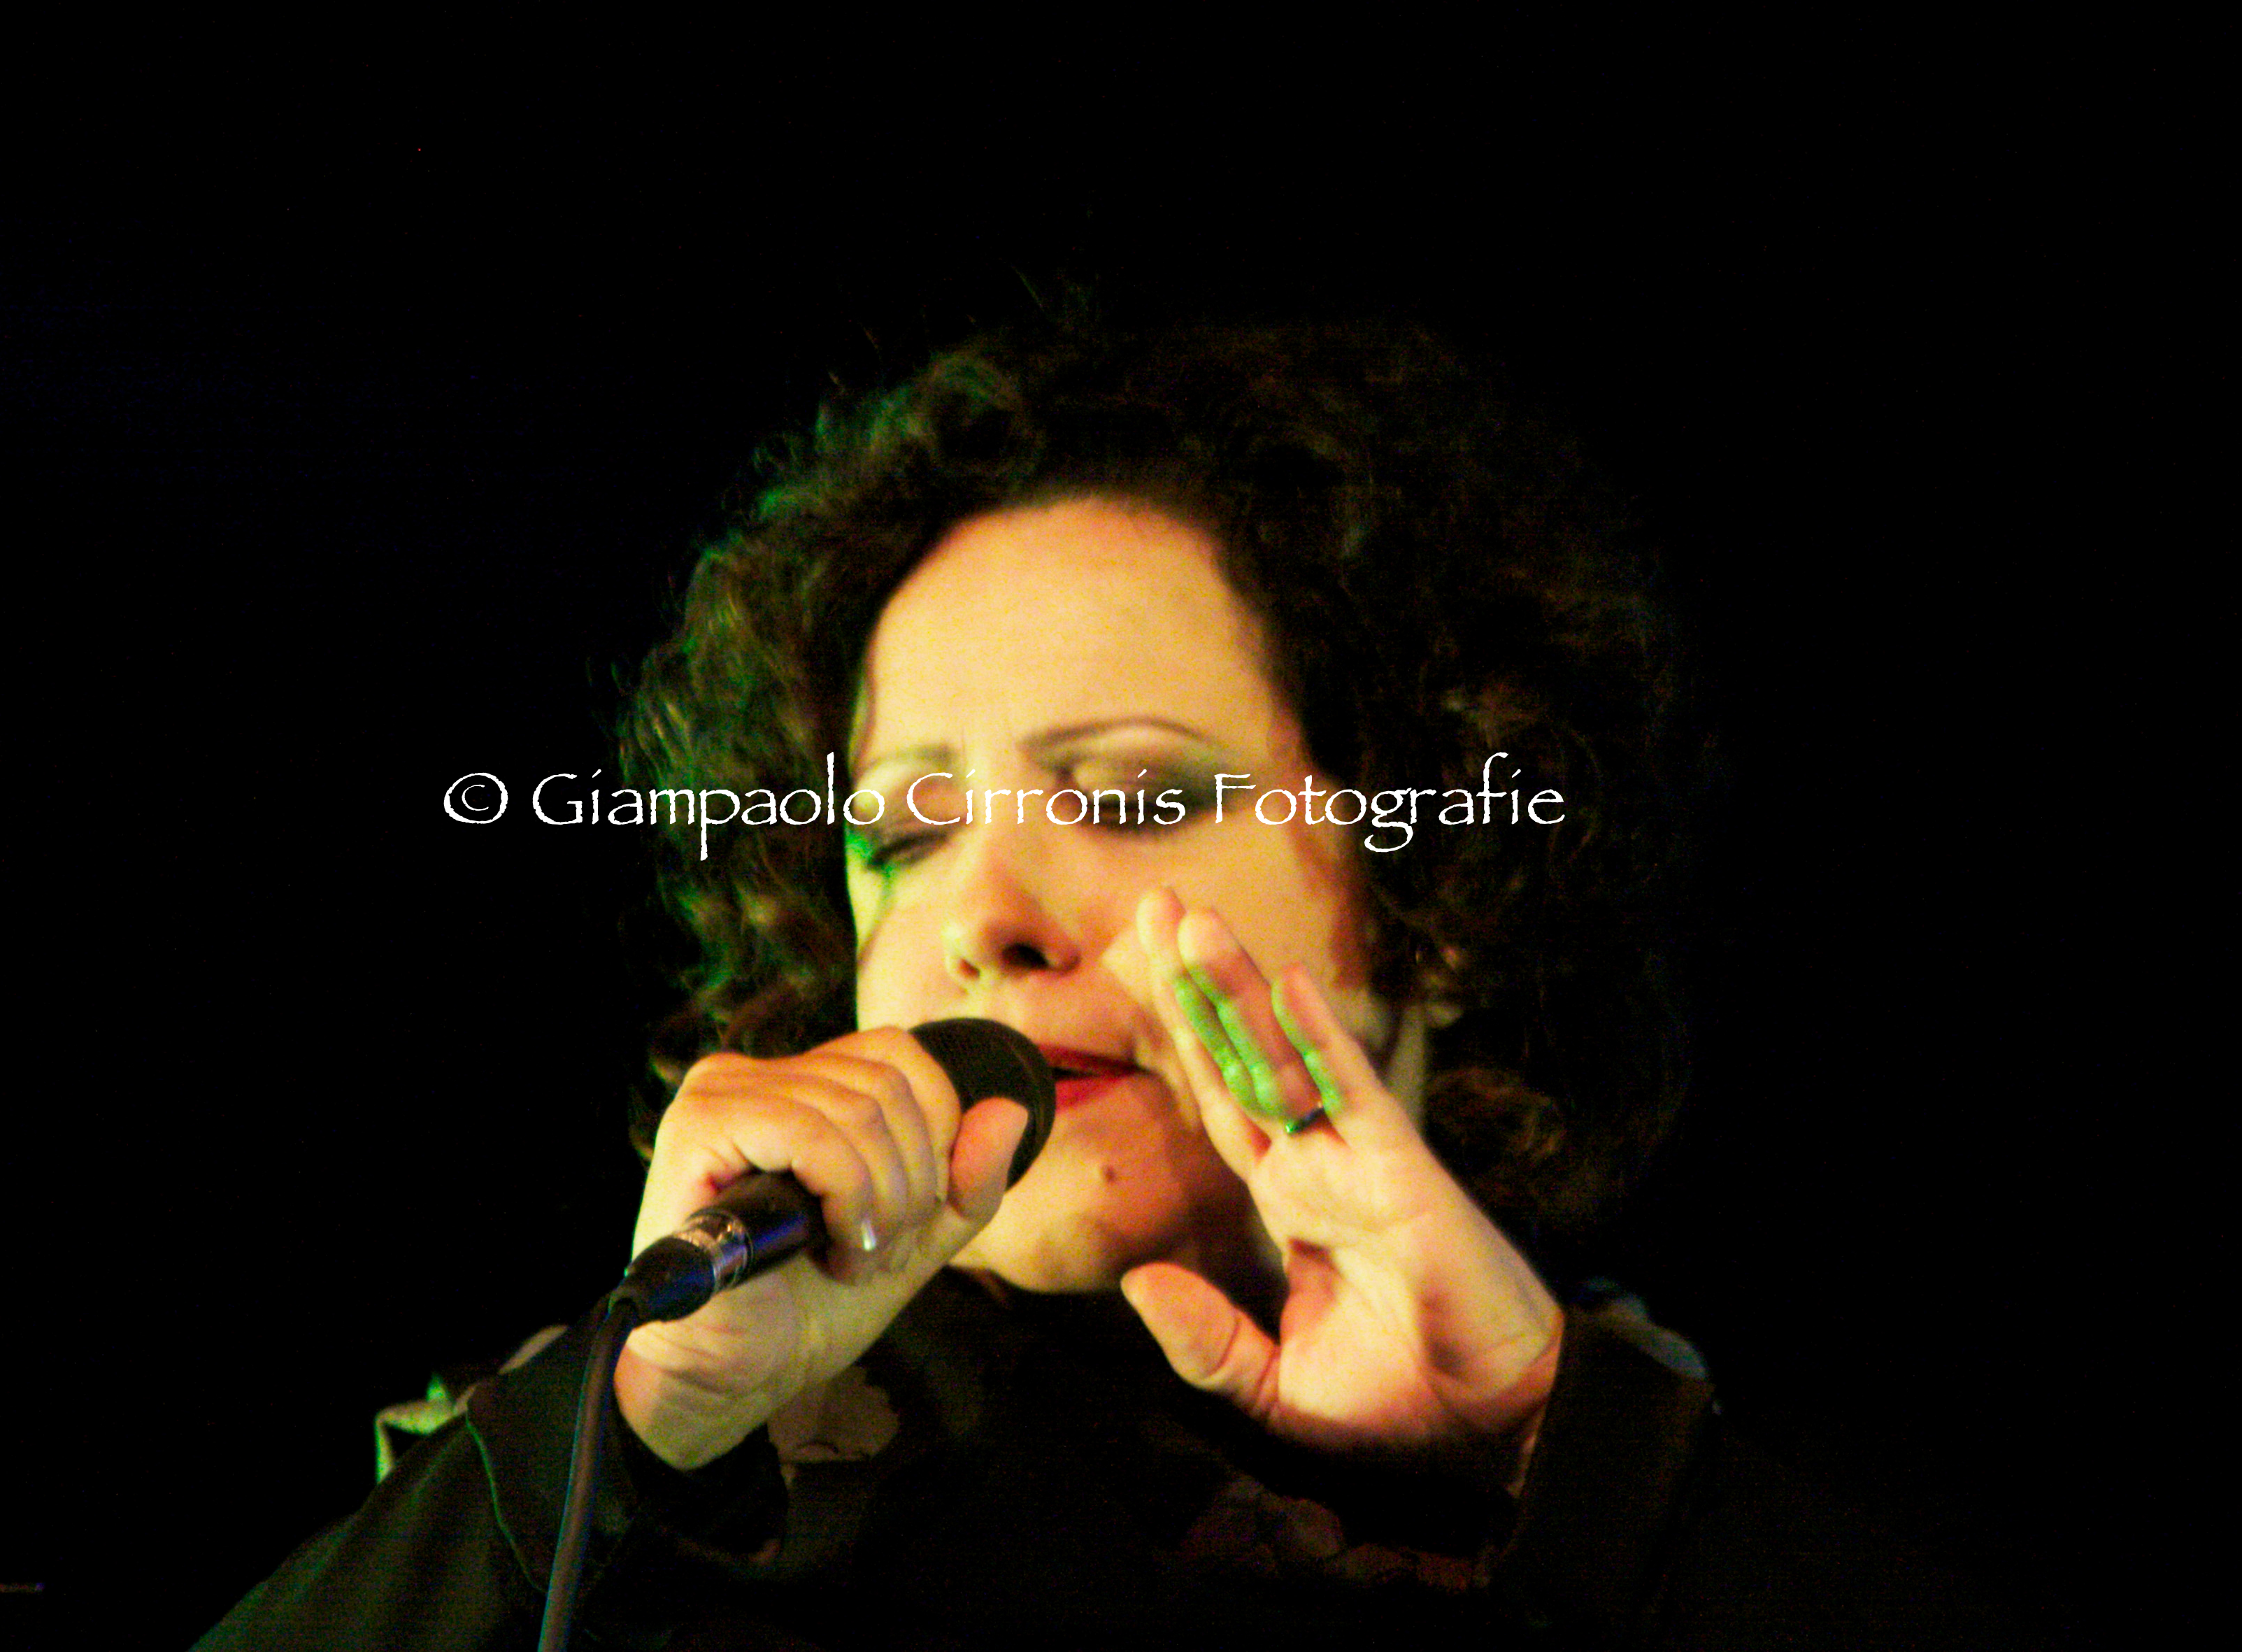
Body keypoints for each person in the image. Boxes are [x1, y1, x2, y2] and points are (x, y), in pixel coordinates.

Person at [194, 321, 2009, 1649]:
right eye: (903, 833)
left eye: (1135, 797)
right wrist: (635, 1428)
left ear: (1439, 890)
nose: (985, 916)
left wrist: (1565, 1456)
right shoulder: (640, 1482)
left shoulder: (1699, 1495)